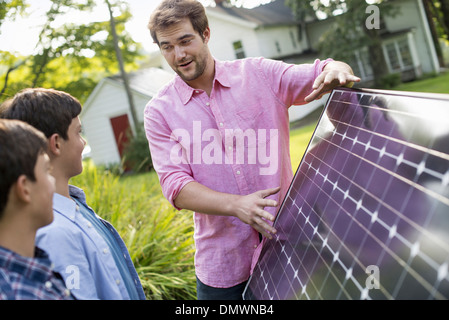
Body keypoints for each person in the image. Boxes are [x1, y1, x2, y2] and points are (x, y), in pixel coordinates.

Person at [145, 0, 361, 300]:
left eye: (185, 41)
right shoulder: (159, 111)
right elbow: (175, 186)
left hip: (288, 249)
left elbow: (324, 70)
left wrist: (337, 68)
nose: (178, 55)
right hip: (222, 267)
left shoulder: (259, 74)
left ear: (205, 34)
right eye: (167, 47)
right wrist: (237, 205)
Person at [0, 88, 146, 300]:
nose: (83, 141)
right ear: (56, 143)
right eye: (78, 132)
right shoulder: (52, 231)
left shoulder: (74, 205)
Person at [0, 119, 74, 300]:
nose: (52, 183)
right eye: (47, 171)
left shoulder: (32, 270)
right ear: (24, 188)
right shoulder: (17, 293)